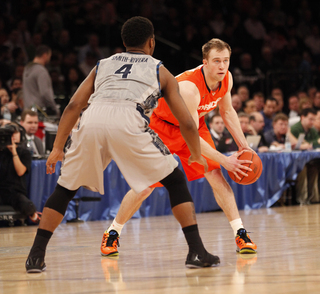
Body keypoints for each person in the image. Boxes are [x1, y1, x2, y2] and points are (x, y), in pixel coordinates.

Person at [25, 16, 224, 273]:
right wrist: (196, 155)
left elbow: (74, 105)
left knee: (65, 189)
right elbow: (187, 121)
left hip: (92, 119)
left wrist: (57, 148)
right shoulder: (159, 69)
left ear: (123, 42)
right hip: (129, 119)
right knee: (175, 180)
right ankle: (196, 251)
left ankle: (35, 256)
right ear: (152, 42)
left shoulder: (102, 64)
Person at [101, 38, 257, 258]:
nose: (222, 66)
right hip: (162, 127)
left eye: (226, 61)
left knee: (215, 174)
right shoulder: (189, 88)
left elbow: (228, 112)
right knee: (145, 187)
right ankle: (112, 232)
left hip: (194, 126)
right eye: (216, 61)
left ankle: (240, 233)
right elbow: (190, 134)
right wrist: (225, 159)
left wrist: (244, 147)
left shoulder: (227, 79)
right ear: (204, 62)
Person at [0, 123, 41, 224]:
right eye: (10, 134)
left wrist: (14, 152)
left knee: (27, 205)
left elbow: (20, 171)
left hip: (15, 191)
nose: (12, 136)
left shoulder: (24, 153)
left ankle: (35, 215)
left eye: (15, 133)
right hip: (1, 189)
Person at [22, 45, 60, 116]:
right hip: (39, 113)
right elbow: (45, 93)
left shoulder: (26, 69)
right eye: (49, 56)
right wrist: (54, 108)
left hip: (27, 111)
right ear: (45, 55)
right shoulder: (41, 71)